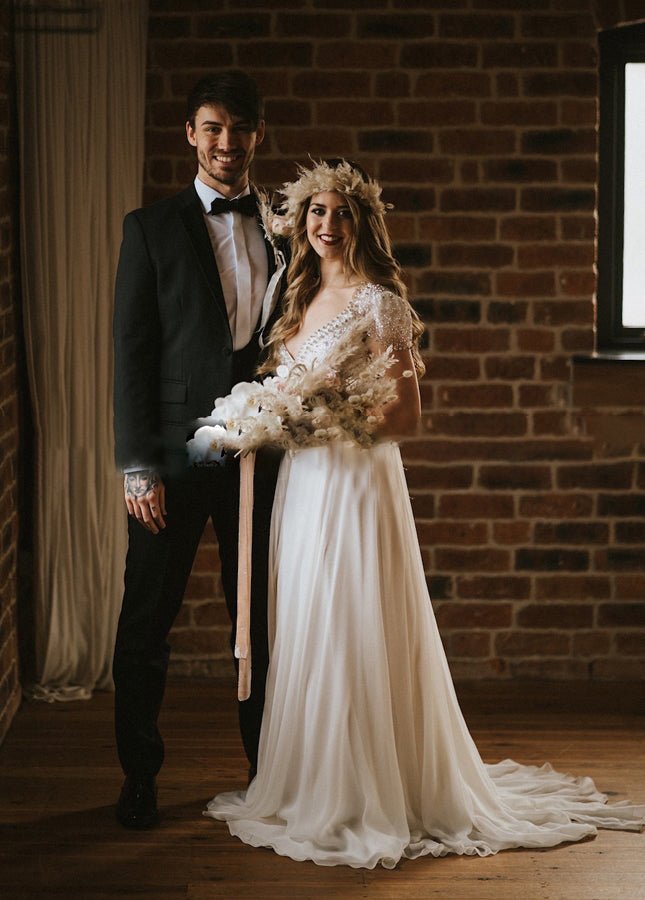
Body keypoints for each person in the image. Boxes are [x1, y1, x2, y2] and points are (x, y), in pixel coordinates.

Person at [202, 159, 645, 868]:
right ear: (301, 219)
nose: (327, 225)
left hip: (355, 481)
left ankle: (369, 789)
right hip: (304, 486)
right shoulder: (295, 294)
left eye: (341, 212)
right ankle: (314, 779)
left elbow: (406, 416)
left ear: (362, 221)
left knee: (353, 614)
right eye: (316, 211)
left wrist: (314, 421)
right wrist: (275, 417)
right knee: (311, 614)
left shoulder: (380, 305)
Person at [112, 70, 284, 829]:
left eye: (240, 129)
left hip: (263, 457)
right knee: (147, 622)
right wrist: (137, 466)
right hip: (175, 461)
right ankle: (139, 777)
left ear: (257, 136)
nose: (226, 142)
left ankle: (268, 774)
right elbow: (131, 356)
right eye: (213, 127)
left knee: (259, 623)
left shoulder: (284, 227)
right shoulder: (149, 229)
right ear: (190, 134)